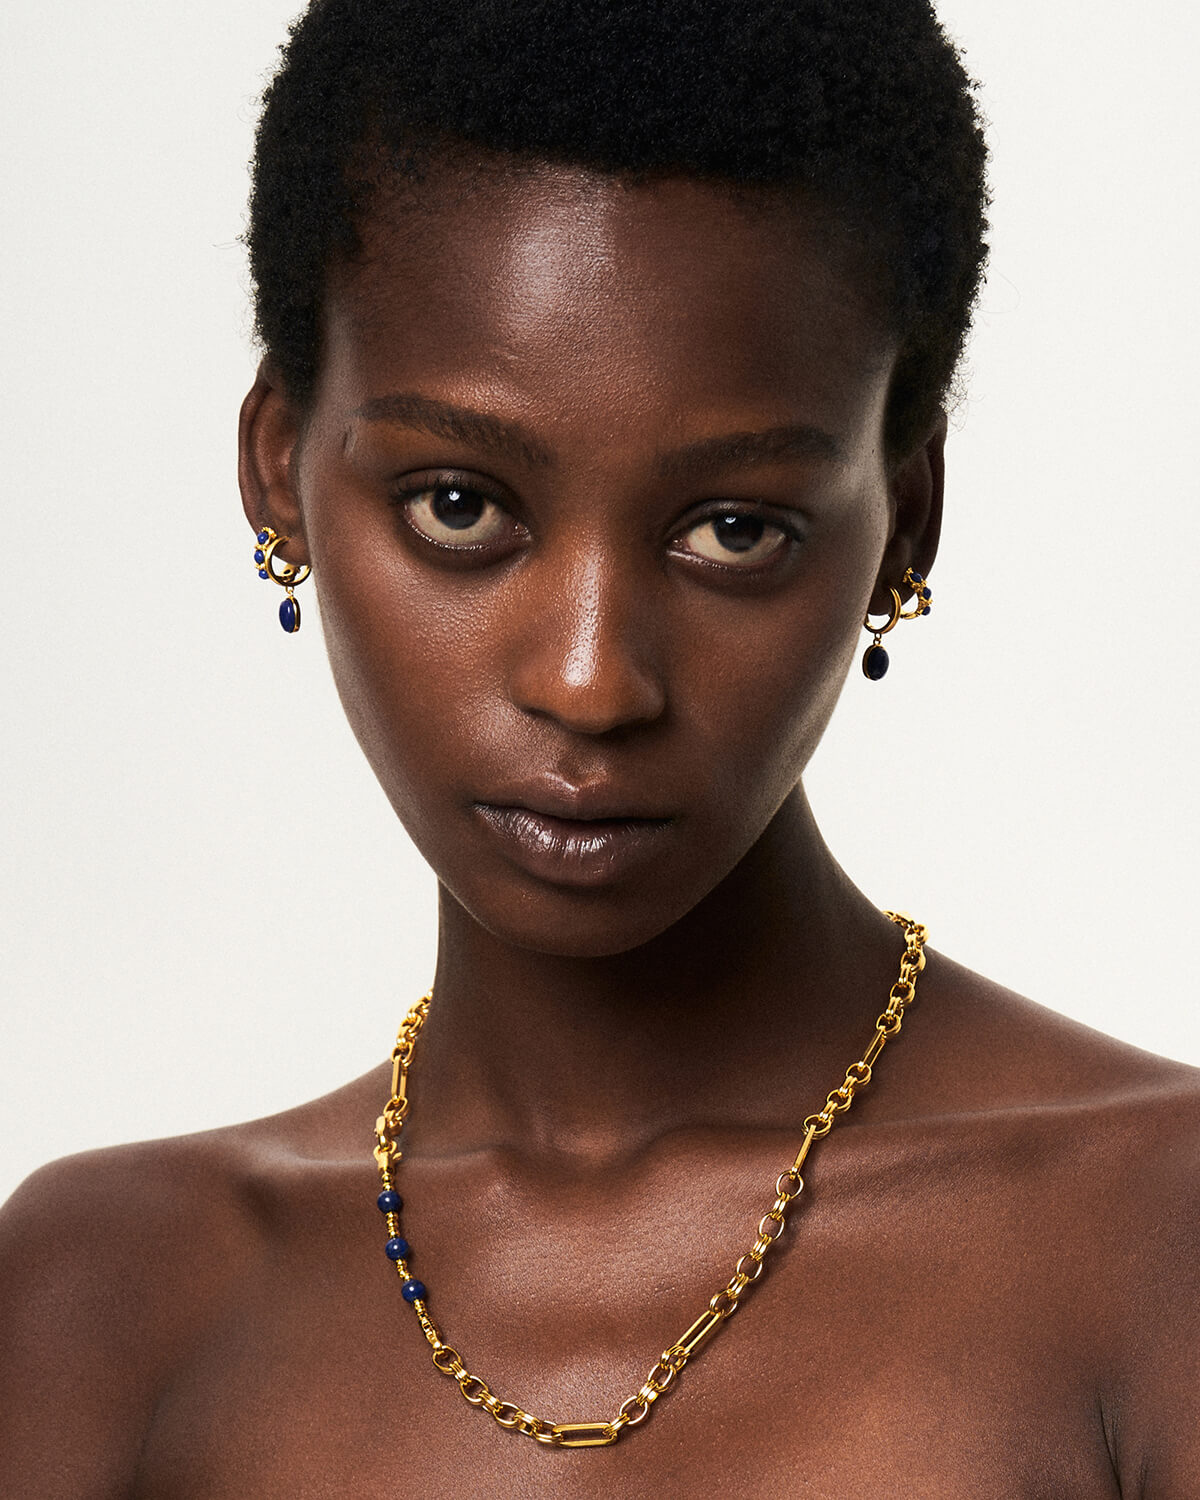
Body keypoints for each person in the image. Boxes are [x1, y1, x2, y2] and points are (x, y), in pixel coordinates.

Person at [1, 0, 1196, 1493]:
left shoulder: (1159, 1246)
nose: (589, 682)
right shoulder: (100, 1306)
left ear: (908, 525)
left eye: (733, 530)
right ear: (279, 475)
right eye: (459, 505)